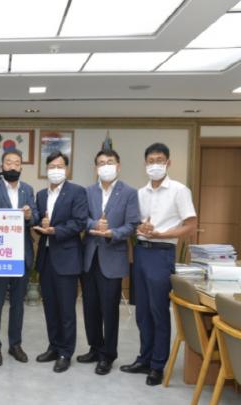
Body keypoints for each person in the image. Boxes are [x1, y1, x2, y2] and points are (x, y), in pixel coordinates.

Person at [120, 143, 197, 386]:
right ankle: (144, 359)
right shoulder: (140, 193)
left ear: (168, 163)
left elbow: (190, 225)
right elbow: (135, 222)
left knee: (158, 311)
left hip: (162, 253)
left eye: (160, 160)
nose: (155, 164)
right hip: (141, 252)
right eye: (151, 161)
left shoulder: (179, 190)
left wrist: (163, 234)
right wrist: (141, 227)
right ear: (145, 164)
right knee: (142, 312)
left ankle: (157, 365)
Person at [79, 148, 139, 375]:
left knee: (109, 309)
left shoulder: (129, 193)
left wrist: (113, 232)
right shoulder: (87, 191)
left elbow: (132, 224)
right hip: (89, 258)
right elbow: (81, 218)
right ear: (96, 168)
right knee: (90, 307)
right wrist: (94, 225)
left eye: (110, 162)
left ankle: (108, 354)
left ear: (118, 166)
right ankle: (94, 348)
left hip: (112, 257)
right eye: (101, 163)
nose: (106, 166)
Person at [33, 151, 87, 373]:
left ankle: (66, 352)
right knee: (50, 308)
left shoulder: (77, 192)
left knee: (66, 310)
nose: (55, 170)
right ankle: (54, 347)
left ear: (67, 169)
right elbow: (38, 219)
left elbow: (79, 222)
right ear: (46, 170)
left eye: (60, 166)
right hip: (46, 258)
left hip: (67, 258)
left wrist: (55, 230)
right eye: (52, 167)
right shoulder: (40, 195)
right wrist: (38, 223)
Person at [0, 149, 38, 366]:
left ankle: (15, 344)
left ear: (21, 167)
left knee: (18, 304)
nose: (12, 166)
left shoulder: (28, 189)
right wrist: (11, 218)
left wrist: (29, 216)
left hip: (22, 254)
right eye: (8, 162)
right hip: (0, 254)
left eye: (16, 163)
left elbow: (34, 216)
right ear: (2, 166)